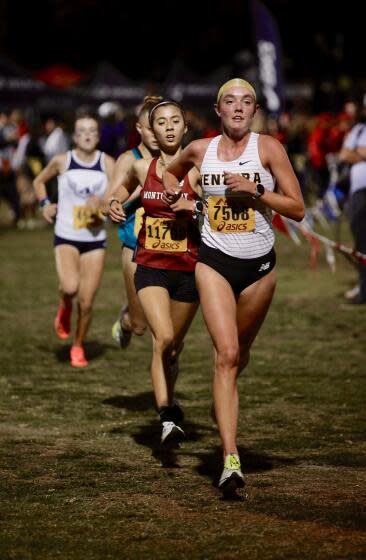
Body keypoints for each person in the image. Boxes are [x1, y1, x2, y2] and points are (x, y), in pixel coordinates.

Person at [162, 78, 305, 493]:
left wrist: (258, 191)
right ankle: (230, 459)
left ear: (255, 110)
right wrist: (181, 198)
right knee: (225, 355)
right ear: (218, 109)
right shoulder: (199, 150)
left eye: (246, 102)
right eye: (230, 101)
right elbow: (170, 175)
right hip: (214, 264)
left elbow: (297, 209)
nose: (238, 108)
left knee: (238, 355)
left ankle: (222, 397)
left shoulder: (268, 149)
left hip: (259, 269)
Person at [105, 100, 202, 446]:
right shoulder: (140, 166)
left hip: (189, 270)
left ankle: (170, 404)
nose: (170, 127)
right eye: (162, 122)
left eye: (176, 120)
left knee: (174, 347)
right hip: (150, 266)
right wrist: (114, 203)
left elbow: (220, 209)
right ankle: (166, 415)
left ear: (185, 128)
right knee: (161, 339)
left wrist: (195, 207)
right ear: (153, 131)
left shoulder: (198, 171)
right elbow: (119, 191)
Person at [33, 109, 115, 367]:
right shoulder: (62, 161)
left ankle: (78, 345)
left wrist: (103, 202)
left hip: (95, 237)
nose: (87, 135)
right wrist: (45, 203)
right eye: (82, 131)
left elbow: (121, 193)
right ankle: (64, 304)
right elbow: (38, 181)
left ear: (98, 136)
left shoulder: (107, 163)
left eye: (92, 131)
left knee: (88, 301)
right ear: (74, 137)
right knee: (70, 288)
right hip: (66, 234)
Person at [105, 96, 162, 348]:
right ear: (139, 129)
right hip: (135, 246)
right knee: (140, 326)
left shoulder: (173, 158)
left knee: (166, 329)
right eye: (149, 128)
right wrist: (136, 193)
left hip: (169, 246)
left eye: (159, 126)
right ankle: (126, 319)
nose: (155, 133)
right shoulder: (129, 159)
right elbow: (109, 203)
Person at [338, 104, 366, 304]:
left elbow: (354, 152)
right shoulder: (359, 129)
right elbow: (344, 154)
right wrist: (358, 152)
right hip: (358, 194)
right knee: (361, 242)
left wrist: (357, 151)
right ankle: (363, 287)